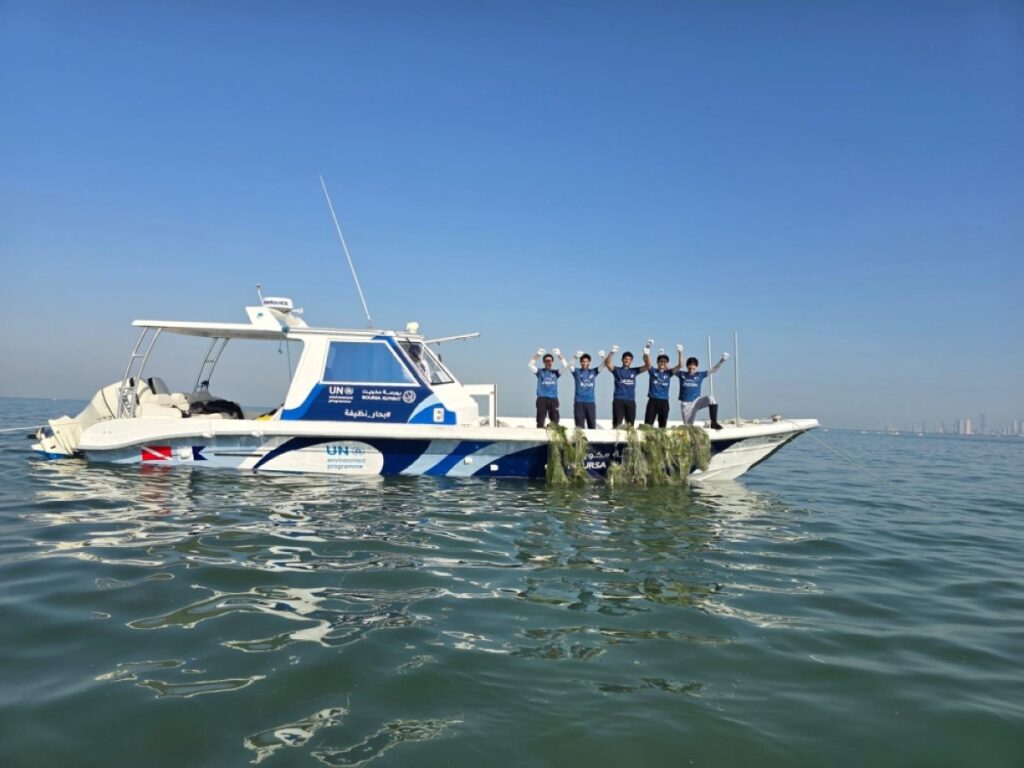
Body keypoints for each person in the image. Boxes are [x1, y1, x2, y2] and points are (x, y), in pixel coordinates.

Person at [603, 340, 652, 428]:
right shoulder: (617, 370)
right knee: (617, 425)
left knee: (630, 426)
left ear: (631, 361)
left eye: (629, 359)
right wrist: (612, 352)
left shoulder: (634, 371)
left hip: (630, 401)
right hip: (618, 400)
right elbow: (607, 363)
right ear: (622, 359)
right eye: (625, 358)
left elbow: (648, 366)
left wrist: (647, 354)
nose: (627, 360)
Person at [676, 351, 729, 429]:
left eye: (693, 365)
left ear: (696, 366)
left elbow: (713, 370)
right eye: (690, 365)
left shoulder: (700, 375)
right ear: (687, 366)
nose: (691, 367)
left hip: (696, 401)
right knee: (688, 427)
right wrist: (662, 355)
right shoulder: (681, 374)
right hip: (686, 404)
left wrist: (721, 361)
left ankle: (714, 422)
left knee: (711, 398)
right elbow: (670, 370)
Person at [643, 345, 684, 428]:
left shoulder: (669, 373)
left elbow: (681, 365)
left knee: (662, 426)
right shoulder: (653, 371)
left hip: (664, 402)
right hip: (652, 401)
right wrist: (647, 352)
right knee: (647, 426)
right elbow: (647, 362)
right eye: (661, 361)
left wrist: (680, 352)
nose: (663, 363)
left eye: (665, 362)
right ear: (657, 362)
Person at [528, 347, 568, 428]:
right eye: (546, 361)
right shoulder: (540, 372)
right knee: (540, 421)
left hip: (553, 399)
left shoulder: (556, 373)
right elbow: (530, 365)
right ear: (543, 362)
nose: (548, 362)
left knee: (555, 421)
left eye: (550, 361)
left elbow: (565, 366)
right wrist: (538, 354)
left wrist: (559, 354)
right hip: (541, 399)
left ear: (552, 362)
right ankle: (539, 436)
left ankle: (552, 433)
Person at [570, 351, 601, 428]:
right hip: (579, 402)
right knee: (579, 427)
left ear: (589, 362)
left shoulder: (593, 372)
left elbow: (603, 365)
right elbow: (569, 365)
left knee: (592, 426)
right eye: (583, 361)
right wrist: (575, 357)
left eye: (586, 361)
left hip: (590, 402)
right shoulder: (577, 372)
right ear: (580, 362)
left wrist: (603, 357)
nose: (584, 363)